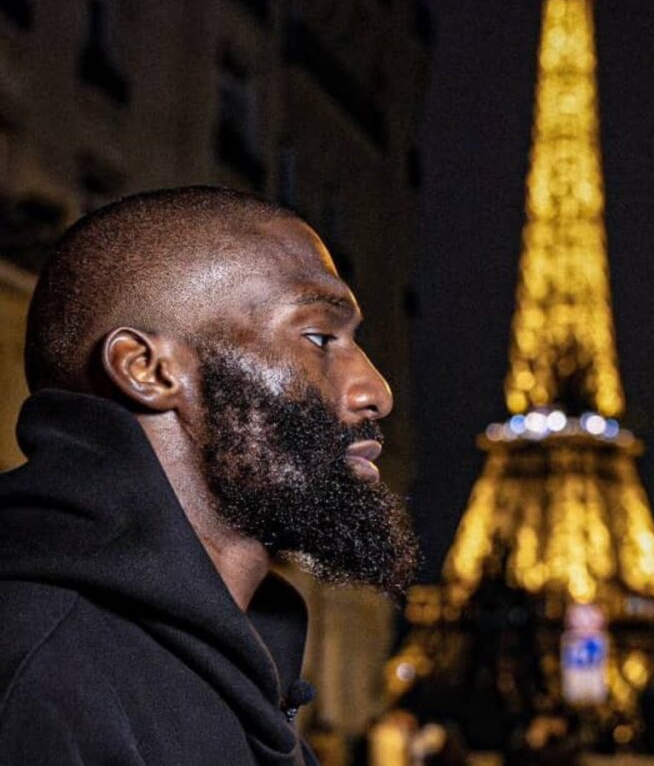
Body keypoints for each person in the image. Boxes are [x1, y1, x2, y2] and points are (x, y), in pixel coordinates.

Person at [0, 186, 420, 764]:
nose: (376, 391)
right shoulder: (41, 676)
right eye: (320, 337)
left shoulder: (247, 660)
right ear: (148, 370)